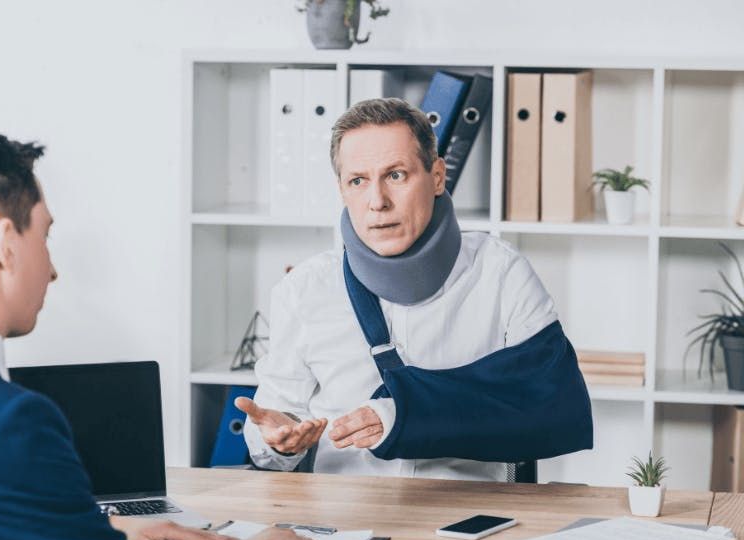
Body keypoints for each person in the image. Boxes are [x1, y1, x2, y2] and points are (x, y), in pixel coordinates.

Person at [0, 121, 342, 540]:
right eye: (44, 236)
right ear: (5, 245)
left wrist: (97, 538)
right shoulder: (7, 425)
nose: (52, 270)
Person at [239, 98, 593, 480]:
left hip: (466, 520)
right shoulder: (303, 289)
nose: (378, 202)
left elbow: (555, 407)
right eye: (358, 181)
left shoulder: (500, 272)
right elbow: (273, 434)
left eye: (396, 175)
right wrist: (278, 438)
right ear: (342, 190)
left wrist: (400, 415)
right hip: (343, 521)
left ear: (437, 176)